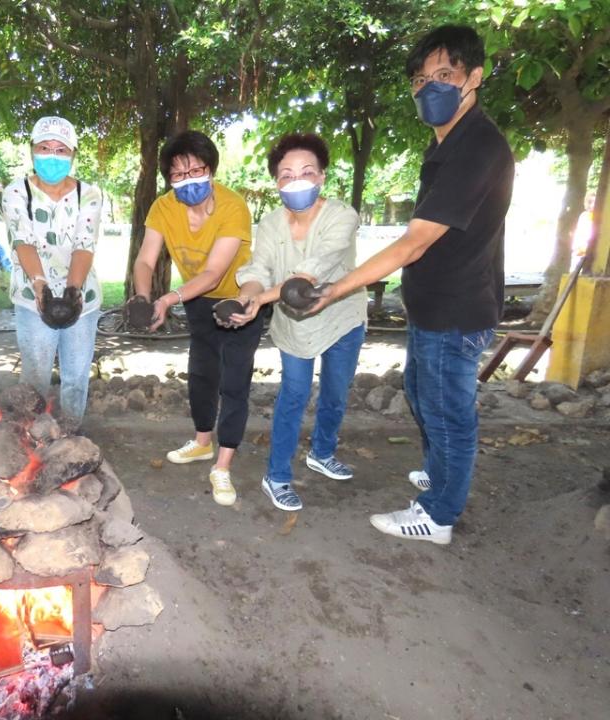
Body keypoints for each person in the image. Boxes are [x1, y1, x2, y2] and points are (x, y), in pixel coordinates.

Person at [308, 25, 514, 544]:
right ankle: (441, 472)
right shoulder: (448, 144)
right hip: (434, 307)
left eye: (445, 75)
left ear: (474, 78)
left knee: (448, 415)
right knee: (423, 397)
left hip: (455, 310)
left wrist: (335, 289)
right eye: (421, 79)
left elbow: (413, 244)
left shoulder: (476, 148)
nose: (430, 88)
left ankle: (438, 514)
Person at [225, 133, 365, 512]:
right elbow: (259, 269)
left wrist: (258, 299)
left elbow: (310, 273)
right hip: (294, 324)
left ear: (322, 177)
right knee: (294, 397)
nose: (296, 181)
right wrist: (246, 295)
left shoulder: (342, 216)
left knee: (335, 394)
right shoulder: (271, 223)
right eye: (286, 175)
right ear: (276, 183)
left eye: (306, 172)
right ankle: (278, 476)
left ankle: (322, 452)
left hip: (343, 319)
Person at [132, 130, 266, 506]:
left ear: (211, 169)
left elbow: (213, 272)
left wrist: (170, 298)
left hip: (240, 300)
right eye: (178, 174)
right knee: (203, 373)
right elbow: (145, 259)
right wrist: (144, 300)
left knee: (235, 380)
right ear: (168, 179)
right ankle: (203, 443)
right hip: (197, 299)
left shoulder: (232, 206)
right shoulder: (163, 207)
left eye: (196, 170)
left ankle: (223, 465)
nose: (188, 180)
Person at [2, 116, 103, 426]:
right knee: (35, 376)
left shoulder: (90, 194)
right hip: (33, 295)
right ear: (32, 150)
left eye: (61, 150)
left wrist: (72, 292)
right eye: (44, 147)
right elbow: (24, 241)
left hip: (81, 295)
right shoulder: (16, 192)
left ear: (72, 154)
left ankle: (72, 436)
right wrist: (42, 287)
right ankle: (29, 437)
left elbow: (83, 245)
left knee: (76, 377)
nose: (52, 156)